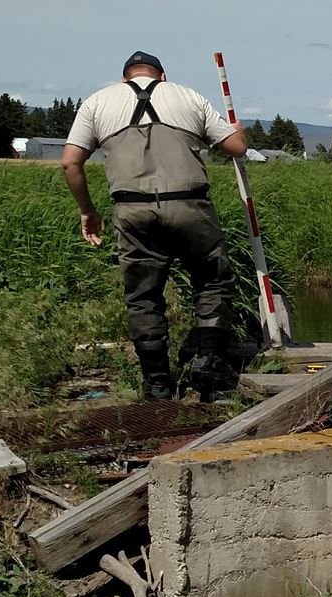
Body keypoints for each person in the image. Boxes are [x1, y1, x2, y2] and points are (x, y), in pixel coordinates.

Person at [60, 51, 248, 400]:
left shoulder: (98, 102)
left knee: (143, 297)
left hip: (132, 211)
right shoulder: (188, 95)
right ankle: (209, 362)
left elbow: (70, 163)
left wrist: (88, 211)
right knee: (211, 281)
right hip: (190, 205)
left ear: (124, 79)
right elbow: (236, 148)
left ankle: (158, 384)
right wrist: (239, 131)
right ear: (162, 77)